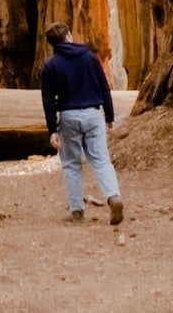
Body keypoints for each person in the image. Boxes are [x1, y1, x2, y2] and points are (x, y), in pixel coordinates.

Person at [38, 22, 123, 225]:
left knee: (71, 164)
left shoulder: (50, 66)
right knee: (101, 159)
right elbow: (104, 87)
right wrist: (110, 117)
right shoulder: (89, 58)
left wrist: (52, 130)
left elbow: (48, 101)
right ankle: (113, 196)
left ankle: (76, 210)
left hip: (68, 117)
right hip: (94, 115)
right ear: (68, 36)